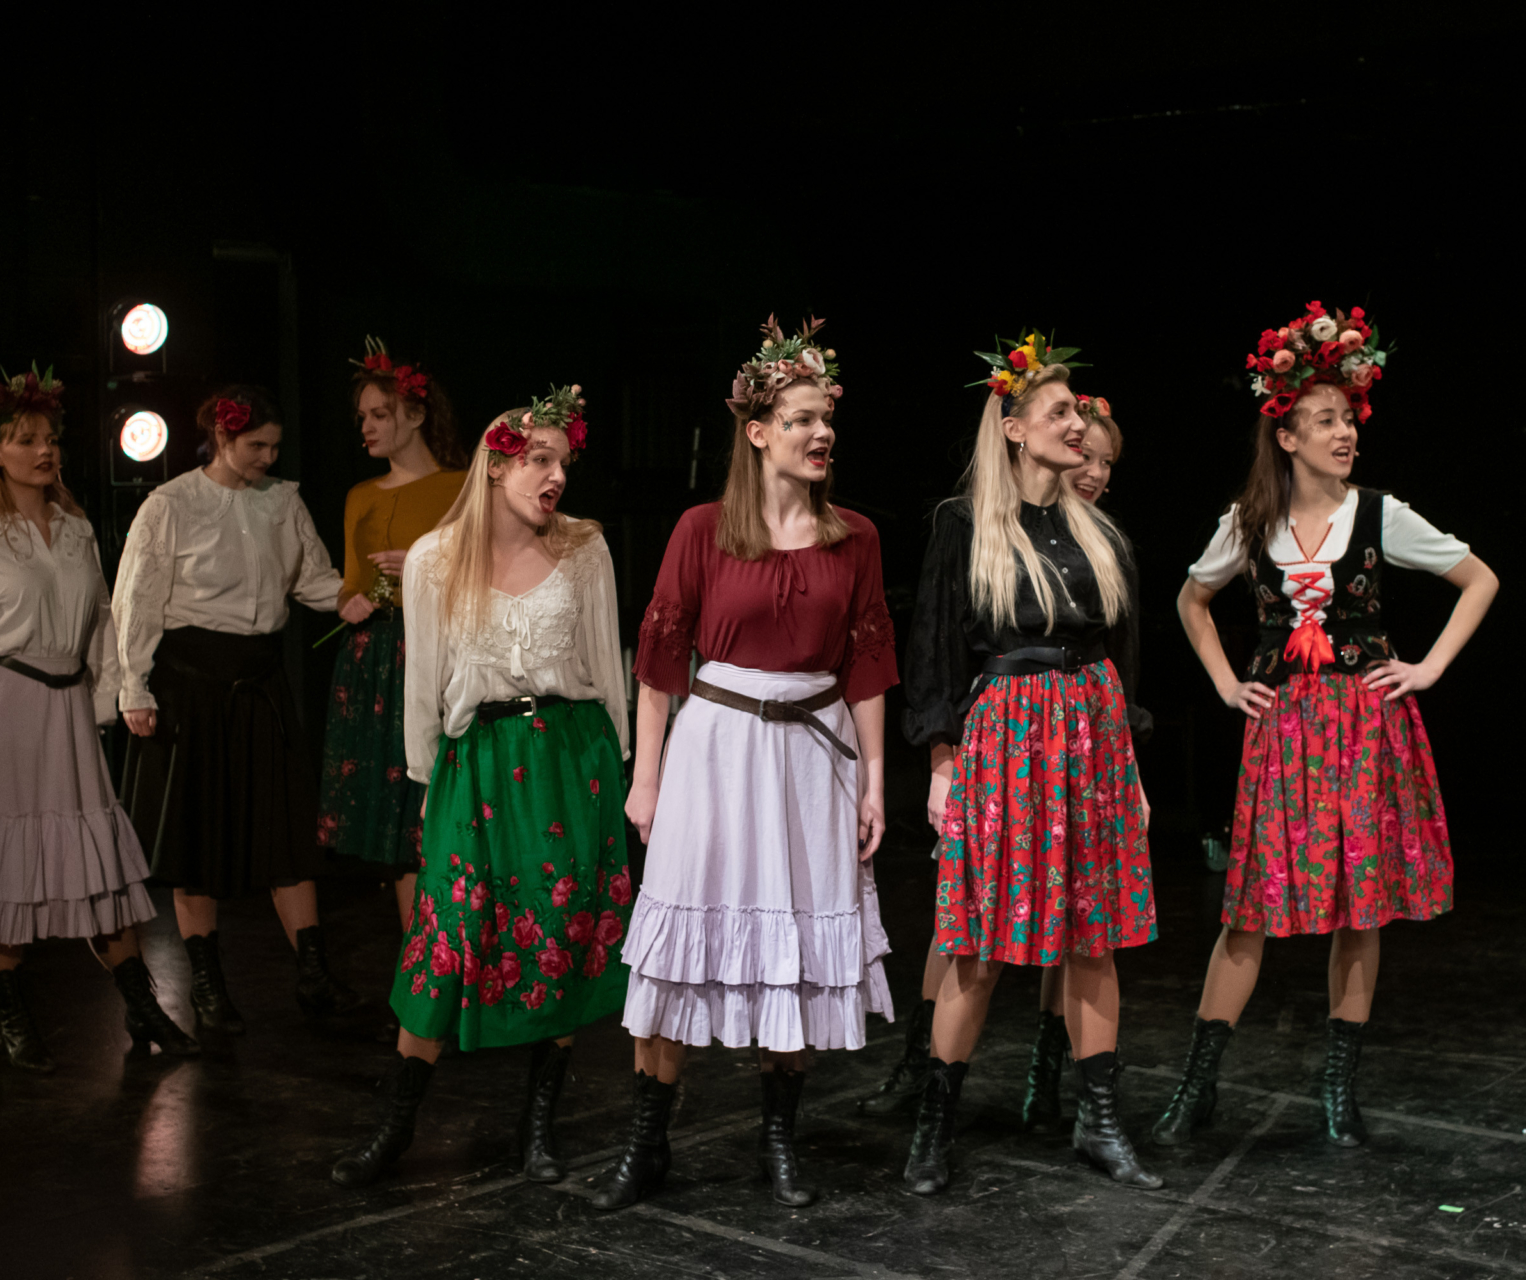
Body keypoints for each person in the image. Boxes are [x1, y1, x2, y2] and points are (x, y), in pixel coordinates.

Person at [1153, 302, 1498, 1149]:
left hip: (1365, 726)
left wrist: (1427, 668)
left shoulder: (1379, 514)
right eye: (1325, 421)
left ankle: (1339, 1088)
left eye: (1348, 419)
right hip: (1284, 731)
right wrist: (1228, 682)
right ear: (1287, 436)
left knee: (1359, 906)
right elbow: (1192, 600)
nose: (1344, 433)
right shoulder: (1249, 521)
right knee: (1249, 907)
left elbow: (1480, 579)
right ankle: (1198, 1084)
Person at [593, 316, 897, 1211]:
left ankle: (779, 1141)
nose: (821, 433)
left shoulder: (856, 537)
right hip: (717, 752)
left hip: (812, 758)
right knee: (674, 946)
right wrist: (646, 777)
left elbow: (869, 665)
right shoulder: (701, 530)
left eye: (826, 419)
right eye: (802, 419)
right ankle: (648, 1143)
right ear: (759, 432)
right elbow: (659, 662)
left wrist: (875, 781)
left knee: (793, 948)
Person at [330, 386, 633, 1189]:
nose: (556, 475)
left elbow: (608, 672)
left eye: (563, 462)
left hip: (570, 759)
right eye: (540, 459)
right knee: (448, 936)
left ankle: (539, 1128)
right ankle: (395, 1125)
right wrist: (430, 791)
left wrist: (621, 775)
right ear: (497, 465)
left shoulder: (585, 548)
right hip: (479, 765)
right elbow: (423, 690)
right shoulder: (436, 558)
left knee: (558, 933)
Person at [900, 333, 1160, 1195]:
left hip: (1094, 740)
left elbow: (1125, 662)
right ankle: (934, 1125)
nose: (1076, 425)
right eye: (1059, 412)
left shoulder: (1101, 534)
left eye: (1078, 412)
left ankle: (1099, 1121)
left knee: (1093, 937)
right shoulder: (965, 524)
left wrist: (1133, 774)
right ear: (1013, 428)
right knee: (977, 944)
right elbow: (936, 650)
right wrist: (942, 765)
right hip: (1007, 741)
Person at [0, 365, 196, 1071]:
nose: (44, 451)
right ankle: (15, 1016)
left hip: (62, 712)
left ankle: (141, 1005)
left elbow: (101, 622)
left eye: (50, 439)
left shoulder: (74, 529)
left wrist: (109, 697)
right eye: (27, 440)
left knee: (97, 865)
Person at [113, 385, 361, 1033]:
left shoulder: (283, 501)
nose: (268, 457)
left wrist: (362, 597)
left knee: (286, 829)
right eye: (257, 445)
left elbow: (312, 579)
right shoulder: (171, 505)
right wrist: (133, 687)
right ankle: (207, 986)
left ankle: (313, 975)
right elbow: (137, 599)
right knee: (197, 838)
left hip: (260, 681)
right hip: (191, 686)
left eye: (275, 447)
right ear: (222, 437)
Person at [317, 339, 467, 937]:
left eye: (380, 414)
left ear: (417, 413)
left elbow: (490, 577)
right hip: (376, 657)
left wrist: (427, 568)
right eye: (363, 417)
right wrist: (347, 602)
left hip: (437, 650)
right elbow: (351, 583)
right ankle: (418, 959)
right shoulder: (360, 495)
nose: (367, 427)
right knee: (399, 827)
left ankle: (455, 953)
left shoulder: (463, 488)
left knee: (438, 812)